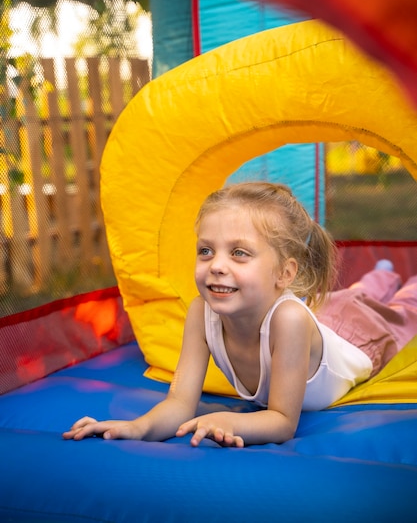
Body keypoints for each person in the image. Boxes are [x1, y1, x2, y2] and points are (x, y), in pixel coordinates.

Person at [63, 182, 417, 447]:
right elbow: (179, 403)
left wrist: (225, 419)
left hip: (361, 339)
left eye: (239, 253)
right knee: (352, 297)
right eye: (206, 251)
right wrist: (137, 427)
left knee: (401, 310)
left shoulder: (289, 320)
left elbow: (281, 421)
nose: (216, 265)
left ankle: (391, 277)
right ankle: (380, 274)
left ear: (285, 274)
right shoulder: (201, 313)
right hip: (328, 320)